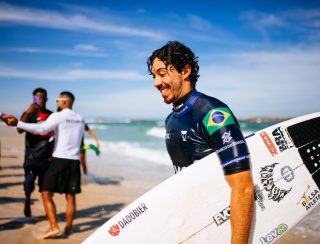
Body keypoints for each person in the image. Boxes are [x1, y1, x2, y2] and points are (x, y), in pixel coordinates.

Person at [147, 41, 254, 244]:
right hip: (197, 223)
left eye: (162, 74)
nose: (156, 83)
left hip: (221, 225)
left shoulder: (212, 113)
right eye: (154, 76)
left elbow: (243, 186)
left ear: (185, 71)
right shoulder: (171, 119)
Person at [2, 91, 85, 238]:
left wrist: (17, 123)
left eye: (58, 100)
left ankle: (54, 227)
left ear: (64, 102)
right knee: (70, 196)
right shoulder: (80, 118)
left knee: (45, 192)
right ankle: (69, 229)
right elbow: (76, 139)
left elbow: (41, 129)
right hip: (74, 161)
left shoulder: (57, 116)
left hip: (59, 160)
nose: (56, 103)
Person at [17, 88, 54, 218]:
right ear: (33, 99)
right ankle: (27, 200)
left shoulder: (52, 115)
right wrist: (28, 111)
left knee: (46, 189)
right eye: (37, 98)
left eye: (43, 98)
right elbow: (19, 130)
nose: (40, 100)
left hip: (47, 157)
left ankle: (48, 214)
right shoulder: (29, 114)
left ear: (46, 99)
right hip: (31, 156)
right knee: (29, 184)